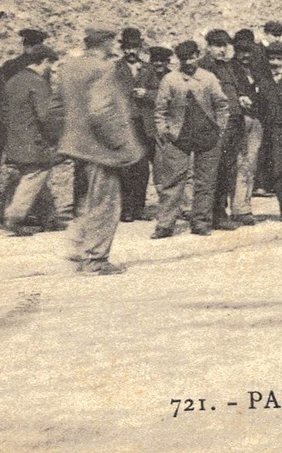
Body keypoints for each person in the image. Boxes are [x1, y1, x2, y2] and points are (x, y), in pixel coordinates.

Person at [57, 29, 144, 274]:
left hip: (76, 146)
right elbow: (101, 111)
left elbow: (55, 107)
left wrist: (64, 139)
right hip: (100, 148)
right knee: (105, 203)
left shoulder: (69, 67)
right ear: (105, 43)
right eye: (112, 42)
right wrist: (120, 145)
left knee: (86, 201)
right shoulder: (104, 69)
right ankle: (95, 259)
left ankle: (77, 250)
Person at [152, 40, 230, 238]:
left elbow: (222, 105)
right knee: (172, 181)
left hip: (207, 136)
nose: (188, 62)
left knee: (205, 182)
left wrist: (219, 129)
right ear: (178, 59)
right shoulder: (170, 80)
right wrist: (164, 131)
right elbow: (160, 110)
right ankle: (165, 224)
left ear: (198, 55)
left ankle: (201, 222)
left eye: (192, 57)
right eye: (184, 58)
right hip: (178, 137)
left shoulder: (208, 78)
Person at [1, 45, 63, 236]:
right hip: (33, 140)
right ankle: (14, 218)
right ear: (44, 61)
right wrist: (57, 137)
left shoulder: (14, 80)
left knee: (34, 176)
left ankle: (49, 218)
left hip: (14, 139)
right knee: (37, 173)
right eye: (51, 63)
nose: (52, 69)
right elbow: (45, 116)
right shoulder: (37, 83)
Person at [200, 29, 253, 230]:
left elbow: (235, 89)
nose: (222, 50)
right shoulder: (203, 68)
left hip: (234, 121)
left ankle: (221, 213)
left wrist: (241, 98)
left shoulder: (229, 66)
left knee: (229, 169)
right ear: (208, 47)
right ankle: (214, 215)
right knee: (215, 170)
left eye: (224, 46)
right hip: (216, 125)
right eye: (217, 45)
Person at [112, 29, 161, 222]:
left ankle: (139, 208)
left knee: (142, 168)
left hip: (144, 124)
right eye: (127, 48)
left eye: (134, 47)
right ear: (123, 48)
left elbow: (160, 93)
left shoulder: (148, 69)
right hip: (125, 123)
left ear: (139, 48)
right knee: (125, 167)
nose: (131, 51)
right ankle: (126, 209)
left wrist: (146, 94)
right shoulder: (114, 68)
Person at [258, 43, 282, 219]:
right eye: (271, 59)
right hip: (275, 131)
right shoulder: (263, 80)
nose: (275, 62)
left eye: (278, 59)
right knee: (280, 170)